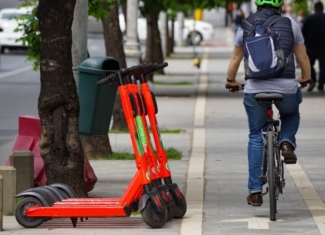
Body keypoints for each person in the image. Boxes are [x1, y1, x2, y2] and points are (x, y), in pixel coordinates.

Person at [226, 0, 311, 206]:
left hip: (255, 89)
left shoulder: (245, 26)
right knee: (290, 113)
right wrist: (306, 78)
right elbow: (302, 56)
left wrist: (231, 82)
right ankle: (286, 141)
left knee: (256, 135)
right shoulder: (290, 24)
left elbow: (235, 59)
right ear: (280, 6)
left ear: (257, 6)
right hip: (287, 87)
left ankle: (255, 191)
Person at [302, 2, 325, 92]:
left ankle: (313, 80)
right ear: (322, 8)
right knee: (323, 66)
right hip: (323, 46)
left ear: (315, 8)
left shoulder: (309, 18)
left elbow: (303, 32)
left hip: (311, 46)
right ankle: (321, 84)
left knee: (309, 65)